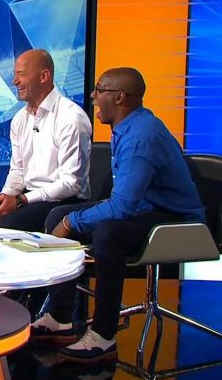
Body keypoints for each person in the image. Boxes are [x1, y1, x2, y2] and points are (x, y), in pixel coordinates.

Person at [31, 67, 205, 363]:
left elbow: (122, 207)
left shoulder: (141, 136)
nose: (93, 96)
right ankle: (60, 318)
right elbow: (125, 202)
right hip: (145, 208)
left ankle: (103, 335)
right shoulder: (128, 127)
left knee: (108, 232)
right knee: (56, 215)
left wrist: (71, 223)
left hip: (176, 220)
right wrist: (65, 220)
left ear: (120, 97)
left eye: (99, 90)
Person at [0, 49, 92, 232]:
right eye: (15, 75)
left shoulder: (71, 117)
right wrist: (4, 198)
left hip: (64, 202)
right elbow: (18, 171)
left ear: (44, 76)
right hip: (29, 198)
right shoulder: (20, 119)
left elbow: (71, 183)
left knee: (7, 224)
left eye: (21, 74)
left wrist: (20, 200)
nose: (14, 81)